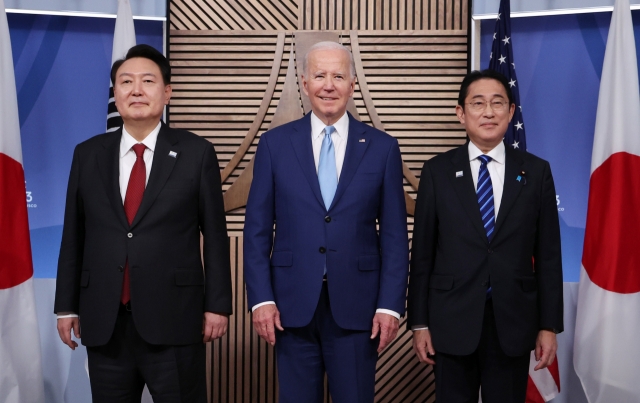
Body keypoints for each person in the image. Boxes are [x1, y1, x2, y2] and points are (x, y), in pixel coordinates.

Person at [54, 44, 232, 402]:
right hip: (106, 321)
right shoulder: (87, 154)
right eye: (126, 82)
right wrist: (66, 306)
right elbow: (74, 234)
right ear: (115, 94)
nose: (136, 90)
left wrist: (217, 305)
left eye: (148, 81)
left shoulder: (197, 152)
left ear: (167, 92)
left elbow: (214, 235)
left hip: (177, 319)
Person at [243, 41, 409, 403]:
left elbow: (395, 237)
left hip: (359, 309)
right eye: (320, 76)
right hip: (289, 308)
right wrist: (261, 301)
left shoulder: (382, 148)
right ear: (304, 83)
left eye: (338, 76)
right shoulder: (274, 144)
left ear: (353, 85)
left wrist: (389, 305)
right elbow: (256, 231)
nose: (328, 85)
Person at [407, 69, 563, 403]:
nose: (488, 112)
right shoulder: (437, 171)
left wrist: (549, 325)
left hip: (513, 322)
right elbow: (422, 255)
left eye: (497, 103)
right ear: (461, 113)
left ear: (511, 112)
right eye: (478, 104)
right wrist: (419, 323)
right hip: (451, 321)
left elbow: (548, 255)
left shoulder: (536, 172)